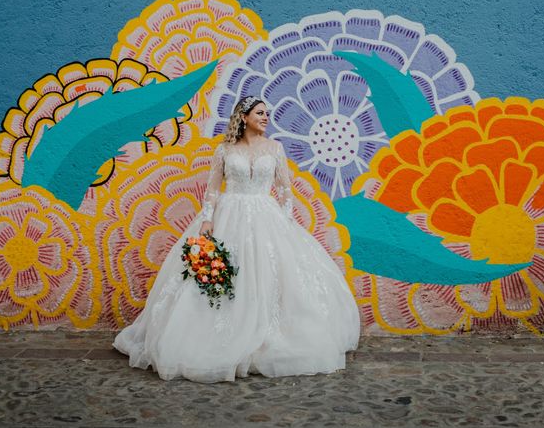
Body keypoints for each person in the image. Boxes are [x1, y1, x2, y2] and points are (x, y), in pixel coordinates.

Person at [114, 96, 360, 382]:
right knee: (223, 273)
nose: (266, 117)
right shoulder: (225, 150)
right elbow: (212, 190)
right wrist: (207, 218)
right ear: (244, 117)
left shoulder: (275, 148)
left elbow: (285, 190)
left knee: (273, 272)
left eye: (267, 113)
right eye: (260, 113)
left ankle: (269, 332)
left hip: (266, 216)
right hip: (229, 215)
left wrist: (286, 218)